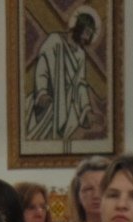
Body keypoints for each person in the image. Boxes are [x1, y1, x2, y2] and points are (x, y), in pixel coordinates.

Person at [26, 6, 103, 148]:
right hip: (48, 100)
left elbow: (80, 84)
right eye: (86, 32)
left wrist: (87, 110)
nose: (87, 38)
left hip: (66, 107)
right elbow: (43, 66)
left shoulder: (80, 54)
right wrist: (42, 92)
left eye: (90, 34)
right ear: (79, 27)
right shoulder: (55, 41)